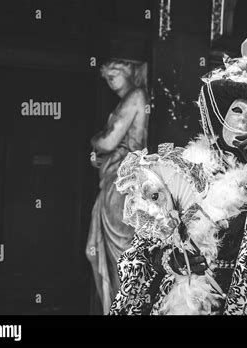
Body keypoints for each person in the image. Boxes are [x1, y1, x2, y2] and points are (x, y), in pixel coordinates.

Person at [109, 34, 247, 315]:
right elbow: (138, 255)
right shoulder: (180, 170)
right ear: (222, 120)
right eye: (237, 111)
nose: (244, 121)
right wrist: (168, 260)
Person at [86, 58, 149, 314]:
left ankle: (121, 307)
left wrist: (94, 140)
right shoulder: (131, 98)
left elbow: (108, 141)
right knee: (100, 250)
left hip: (123, 181)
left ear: (129, 71)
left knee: (120, 251)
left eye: (113, 75)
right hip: (117, 176)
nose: (109, 81)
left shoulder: (136, 96)